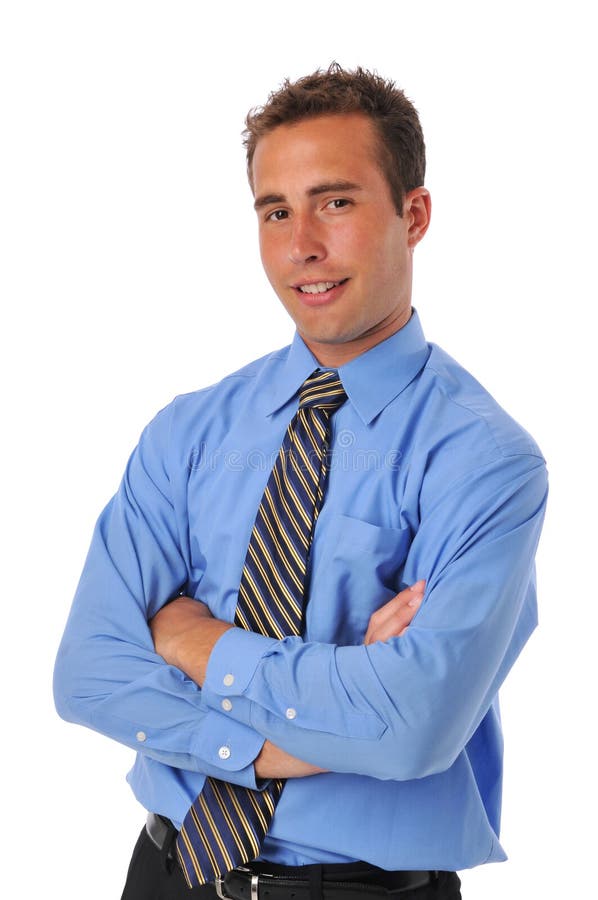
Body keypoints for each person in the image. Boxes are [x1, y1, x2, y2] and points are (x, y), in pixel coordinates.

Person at [54, 64, 548, 900]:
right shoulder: (188, 430)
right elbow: (88, 676)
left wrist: (193, 644)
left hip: (359, 891)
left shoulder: (486, 463)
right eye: (275, 210)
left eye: (337, 202)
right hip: (167, 872)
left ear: (413, 214)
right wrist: (328, 708)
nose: (301, 245)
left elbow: (413, 729)